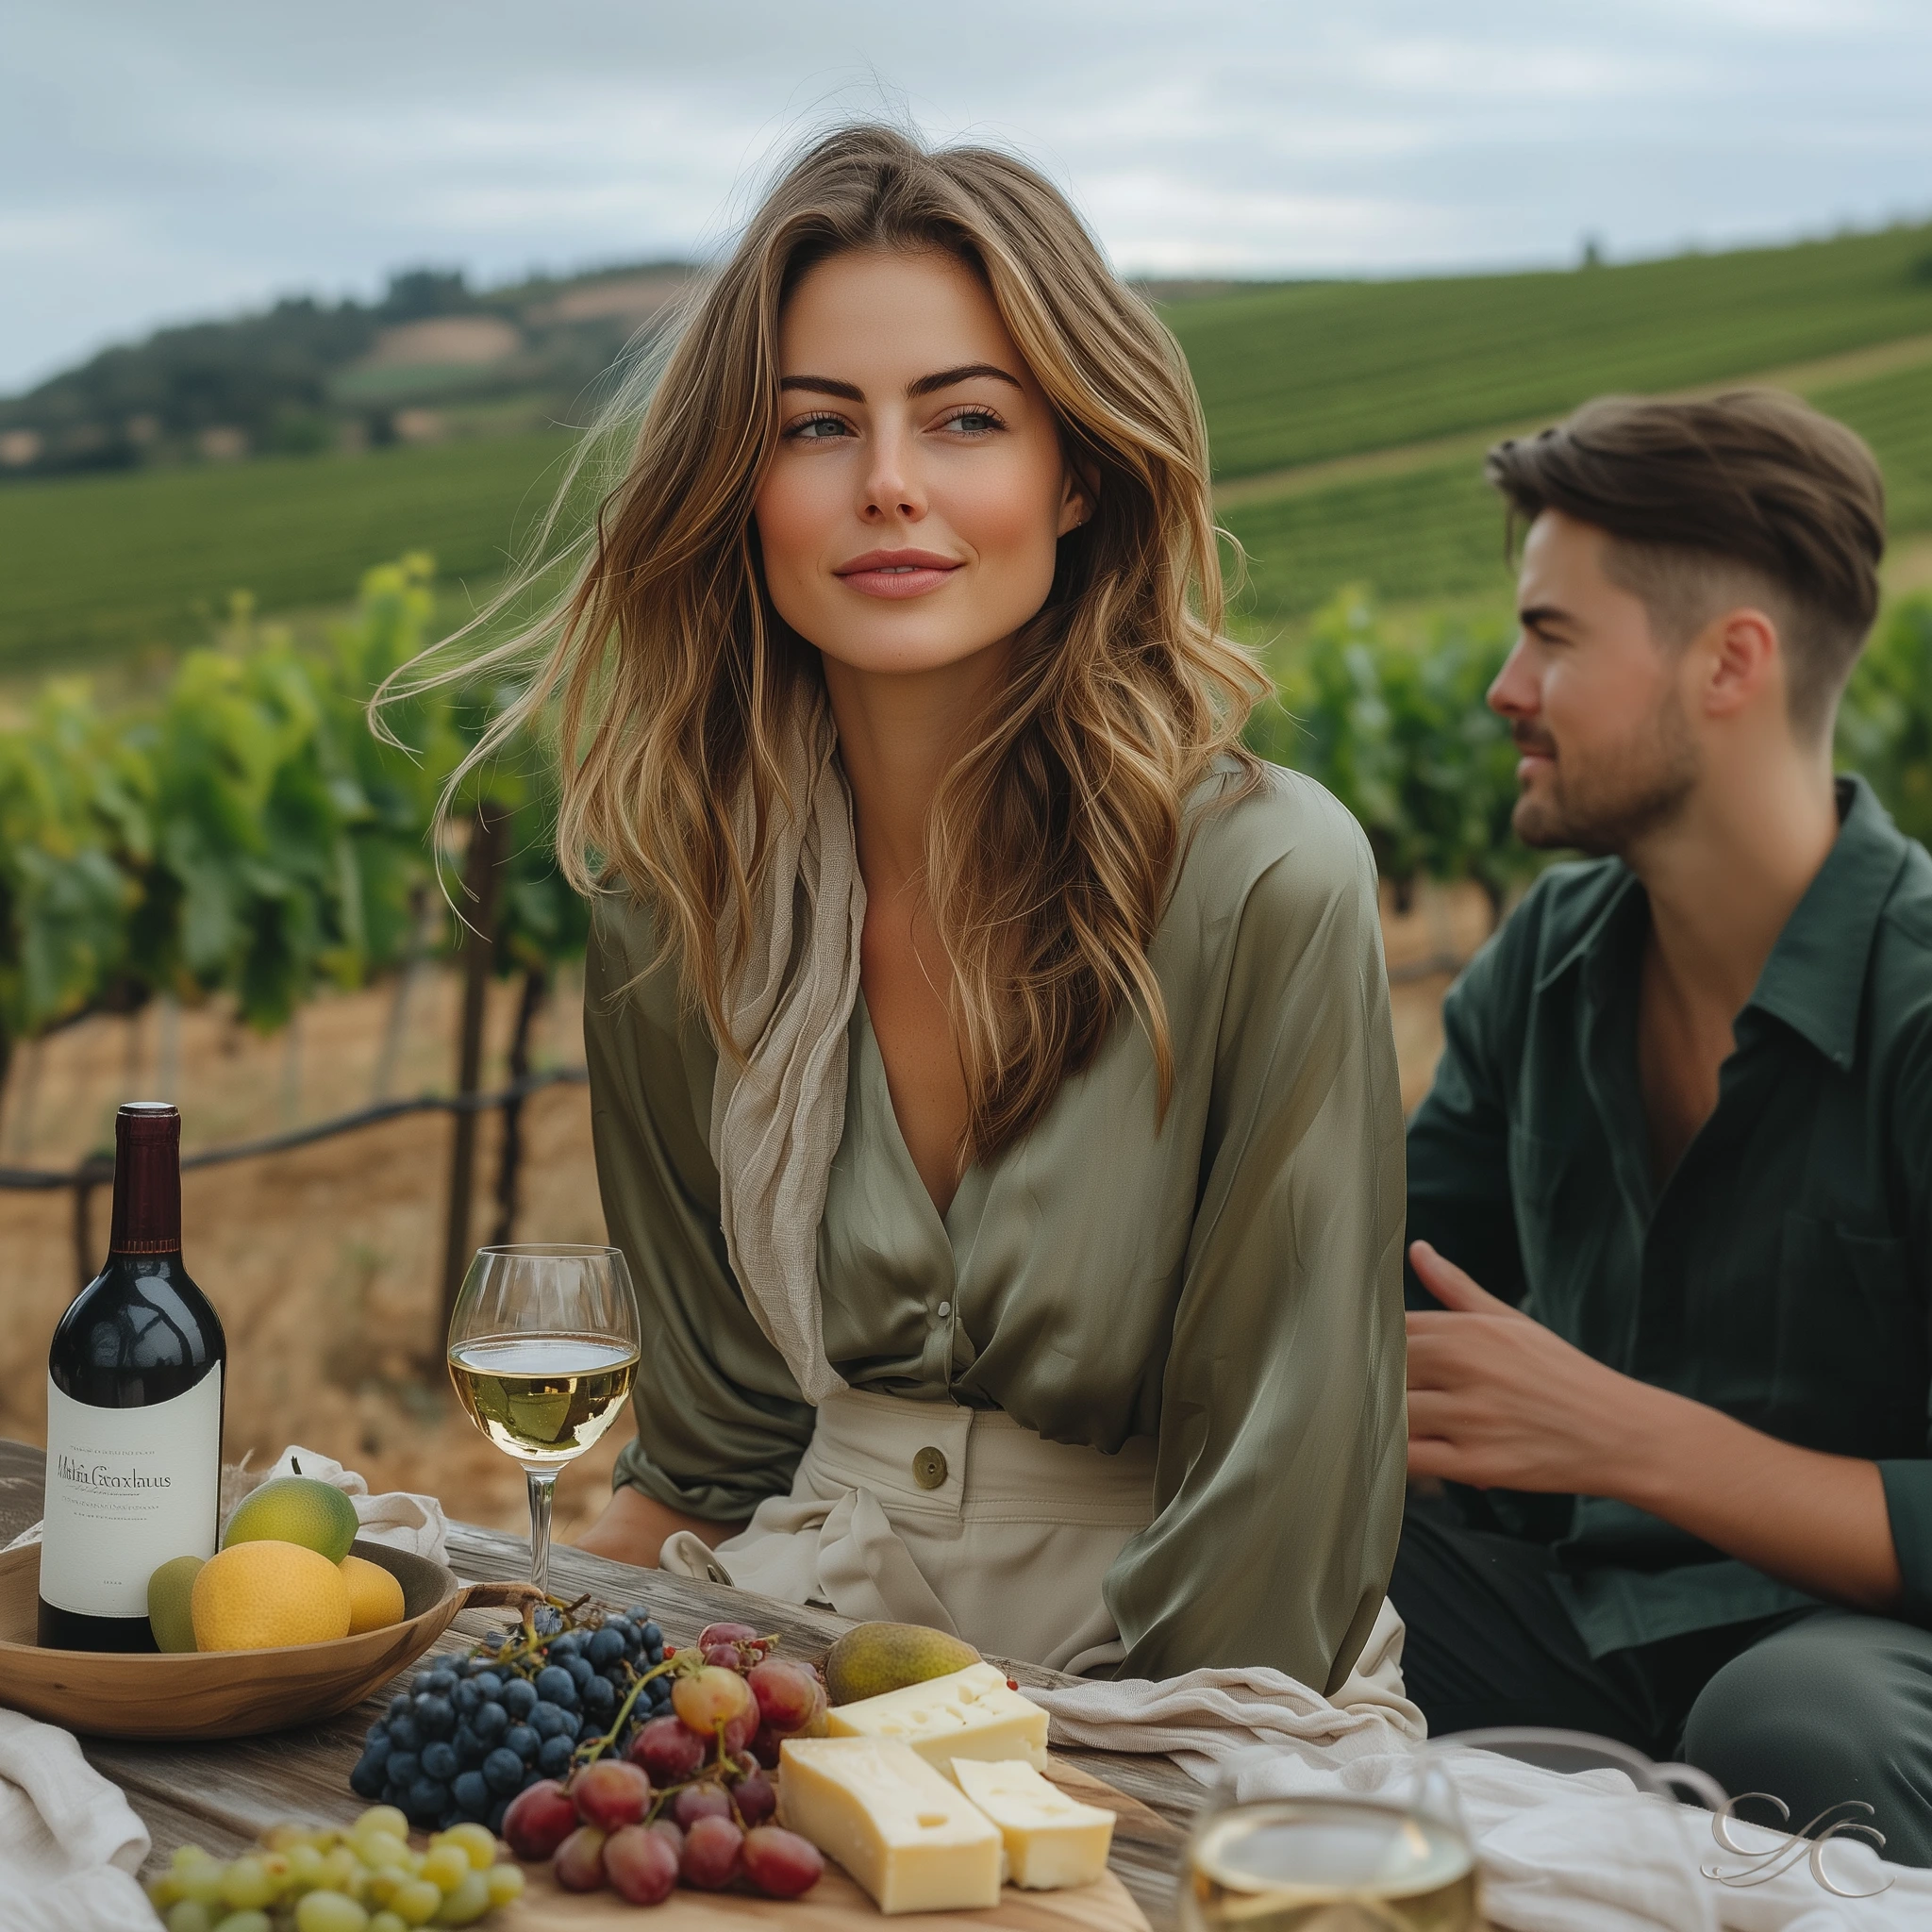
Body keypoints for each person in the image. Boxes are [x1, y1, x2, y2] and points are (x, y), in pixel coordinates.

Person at [439, 125, 1407, 1689]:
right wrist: (472, 1636)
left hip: (1181, 1691)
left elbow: (1280, 1517)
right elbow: (716, 1453)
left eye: (964, 419)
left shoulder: (1267, 881)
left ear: (1077, 469)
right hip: (791, 1652)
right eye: (818, 428)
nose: (890, 485)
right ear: (741, 491)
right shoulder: (673, 912)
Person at [1394, 388, 1932, 1862]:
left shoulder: (1922, 1010)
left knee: (1798, 1718)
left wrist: (1625, 1439)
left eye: (1553, 637)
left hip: (1871, 1664)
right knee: (1265, 1568)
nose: (1506, 687)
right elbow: (1366, 1282)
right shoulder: (1547, 963)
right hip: (1588, 1626)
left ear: (1730, 663)